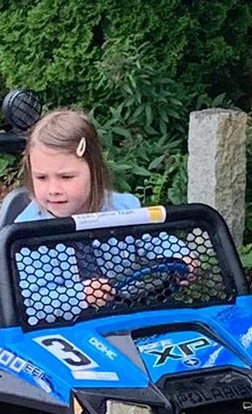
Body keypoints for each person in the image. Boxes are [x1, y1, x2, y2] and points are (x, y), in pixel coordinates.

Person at [13, 108, 192, 319]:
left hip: (128, 313)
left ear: (94, 170)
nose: (53, 189)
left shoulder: (123, 209)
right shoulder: (28, 232)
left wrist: (180, 255)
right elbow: (33, 302)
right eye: (41, 178)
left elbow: (154, 239)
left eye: (66, 177)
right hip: (63, 329)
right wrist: (81, 295)